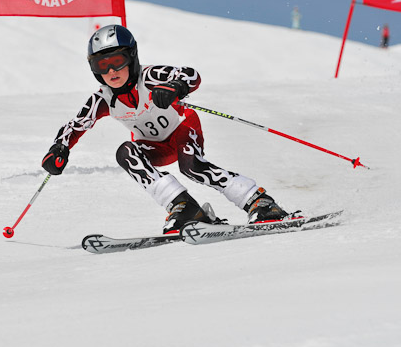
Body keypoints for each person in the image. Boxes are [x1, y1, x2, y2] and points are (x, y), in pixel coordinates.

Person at [41, 25, 292, 234]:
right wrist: (59, 149)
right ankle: (184, 206)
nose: (111, 71)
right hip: (155, 146)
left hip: (182, 127)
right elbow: (74, 126)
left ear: (132, 57)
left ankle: (260, 202)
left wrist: (176, 86)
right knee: (126, 153)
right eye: (101, 65)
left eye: (117, 61)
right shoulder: (102, 99)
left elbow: (191, 75)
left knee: (192, 166)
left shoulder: (149, 76)